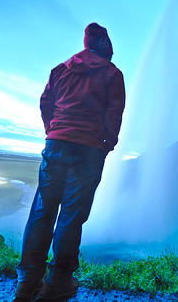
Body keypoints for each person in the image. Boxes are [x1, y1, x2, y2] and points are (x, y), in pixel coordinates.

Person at [14, 23, 125, 302]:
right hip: (87, 150)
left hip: (55, 146)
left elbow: (45, 102)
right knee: (72, 215)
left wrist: (52, 130)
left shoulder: (60, 69)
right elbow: (114, 112)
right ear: (106, 47)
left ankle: (27, 282)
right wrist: (106, 145)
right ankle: (58, 282)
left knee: (42, 211)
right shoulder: (112, 73)